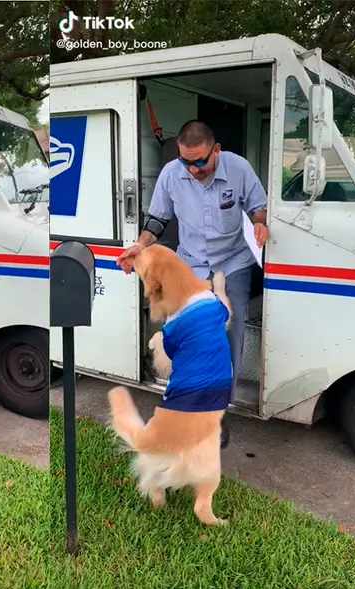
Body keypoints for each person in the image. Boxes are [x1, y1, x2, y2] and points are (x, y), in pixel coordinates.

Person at [116, 121, 269, 449]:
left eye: (200, 161)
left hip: (233, 266)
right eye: (187, 161)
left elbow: (258, 206)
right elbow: (157, 221)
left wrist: (259, 224)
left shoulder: (239, 168)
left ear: (216, 150)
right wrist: (140, 246)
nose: (194, 169)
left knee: (229, 335)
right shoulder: (172, 173)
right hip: (191, 267)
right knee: (187, 337)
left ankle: (217, 415)